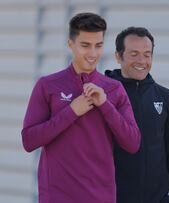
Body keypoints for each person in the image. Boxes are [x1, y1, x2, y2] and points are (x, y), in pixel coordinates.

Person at [21, 13, 141, 203]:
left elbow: (132, 143)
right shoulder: (47, 85)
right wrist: (71, 112)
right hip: (57, 196)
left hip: (101, 197)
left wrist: (105, 105)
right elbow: (29, 140)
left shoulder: (113, 89)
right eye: (85, 45)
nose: (93, 53)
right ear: (71, 44)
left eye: (98, 45)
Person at [105, 27, 169, 203]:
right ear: (119, 56)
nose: (141, 60)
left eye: (147, 54)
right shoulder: (103, 95)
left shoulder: (164, 97)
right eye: (134, 54)